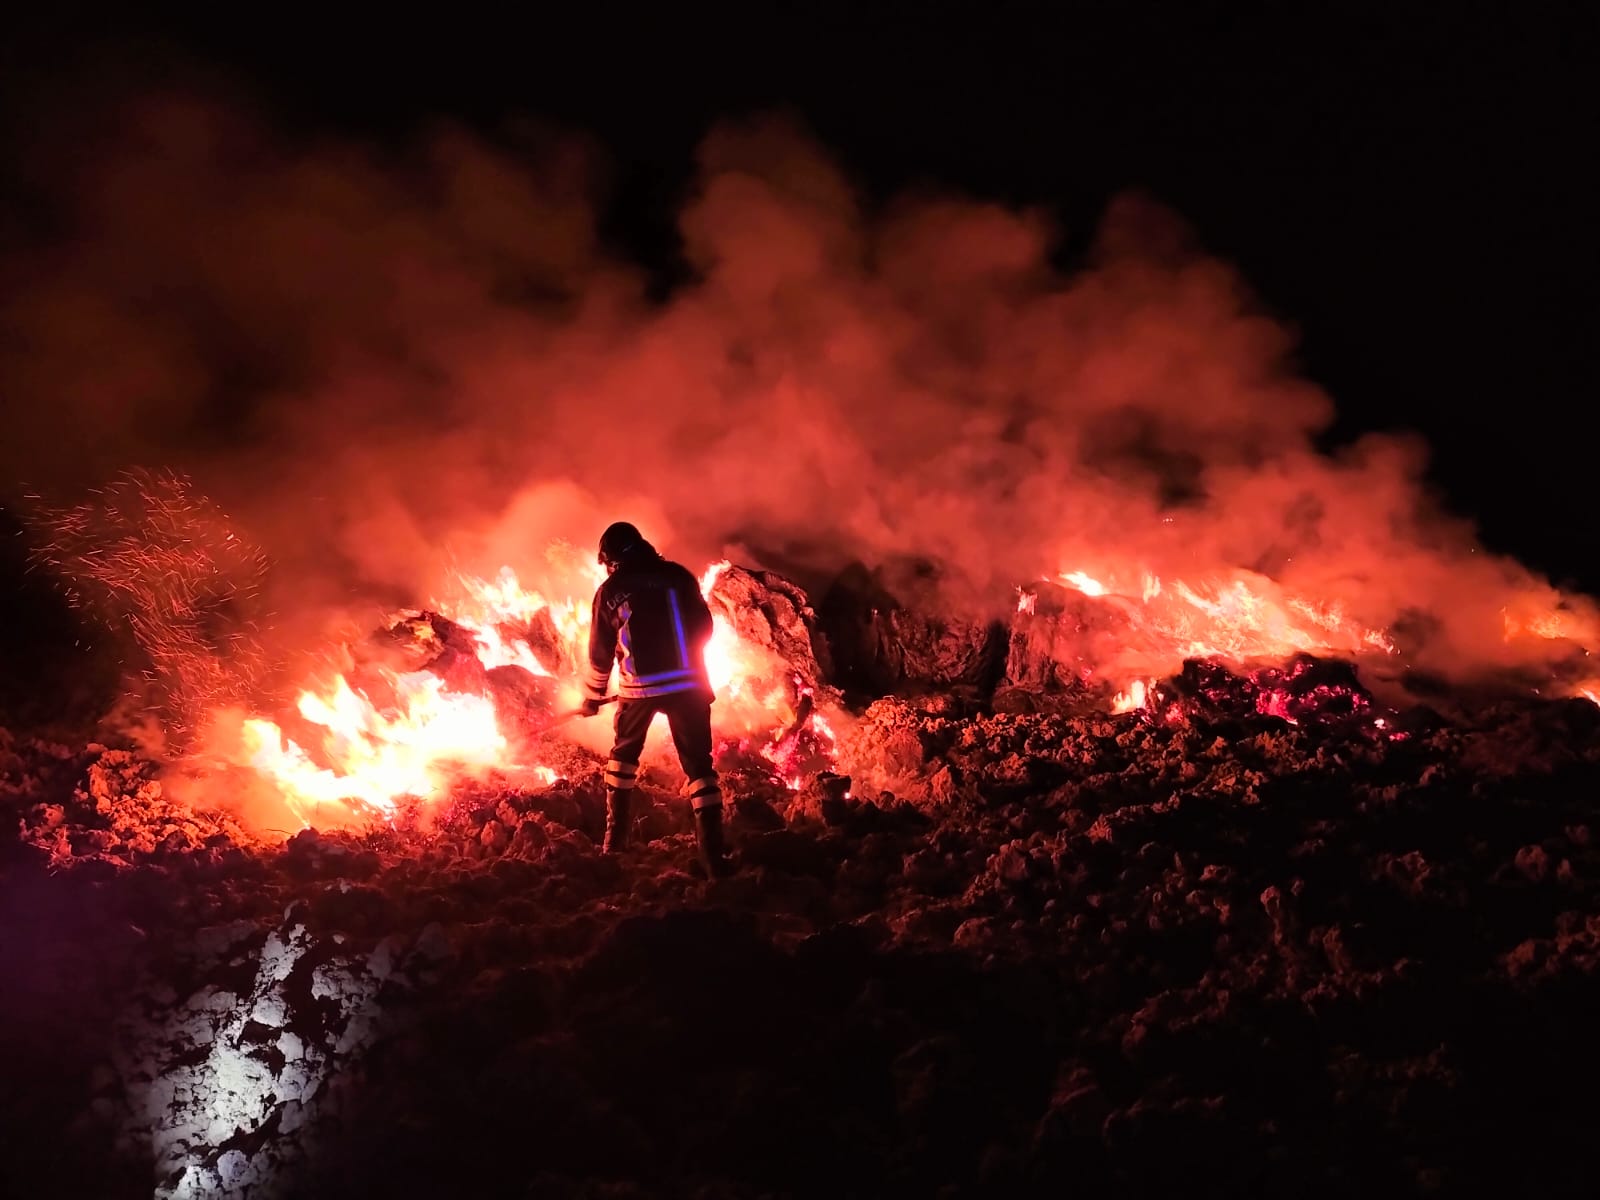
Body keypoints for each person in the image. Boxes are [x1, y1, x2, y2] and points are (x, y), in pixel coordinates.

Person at [578, 521, 732, 877]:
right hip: (689, 686)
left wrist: (592, 696)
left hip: (638, 689)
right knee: (699, 768)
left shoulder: (611, 590)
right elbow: (704, 627)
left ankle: (614, 847)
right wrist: (683, 663)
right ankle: (713, 858)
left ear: (611, 560)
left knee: (623, 758)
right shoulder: (679, 577)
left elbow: (600, 652)